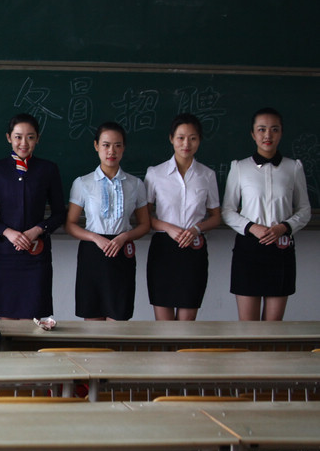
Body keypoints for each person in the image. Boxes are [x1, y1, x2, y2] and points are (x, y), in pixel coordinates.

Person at [221, 107, 311, 321]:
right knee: (248, 327)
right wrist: (252, 227)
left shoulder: (294, 167)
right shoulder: (239, 167)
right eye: (261, 129)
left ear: (281, 133)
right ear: (253, 134)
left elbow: (305, 209)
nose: (267, 135)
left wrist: (284, 227)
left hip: (281, 249)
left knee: (273, 327)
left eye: (274, 129)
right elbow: (227, 210)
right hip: (248, 249)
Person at [65, 122, 150, 321]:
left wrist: (124, 237)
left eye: (117, 145)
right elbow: (70, 224)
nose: (111, 151)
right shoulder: (82, 183)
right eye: (106, 145)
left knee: (118, 319)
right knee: (92, 319)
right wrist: (95, 238)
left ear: (123, 148)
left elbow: (145, 224)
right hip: (92, 252)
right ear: (96, 146)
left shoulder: (135, 184)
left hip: (122, 252)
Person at [0, 113, 66, 320]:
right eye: (18, 136)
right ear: (8, 137)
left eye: (30, 137)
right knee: (6, 318)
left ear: (37, 139)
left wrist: (37, 231)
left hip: (36, 255)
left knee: (34, 319)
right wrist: (7, 232)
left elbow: (59, 214)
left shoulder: (48, 169)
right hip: (5, 254)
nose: (23, 142)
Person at [144, 113, 222, 321]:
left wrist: (196, 228)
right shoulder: (155, 173)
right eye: (180, 137)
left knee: (187, 322)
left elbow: (216, 217)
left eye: (193, 138)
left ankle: (183, 355)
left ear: (199, 140)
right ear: (171, 139)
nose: (186, 143)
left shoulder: (207, 175)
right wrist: (167, 227)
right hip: (163, 248)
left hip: (193, 248)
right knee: (164, 324)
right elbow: (144, 215)